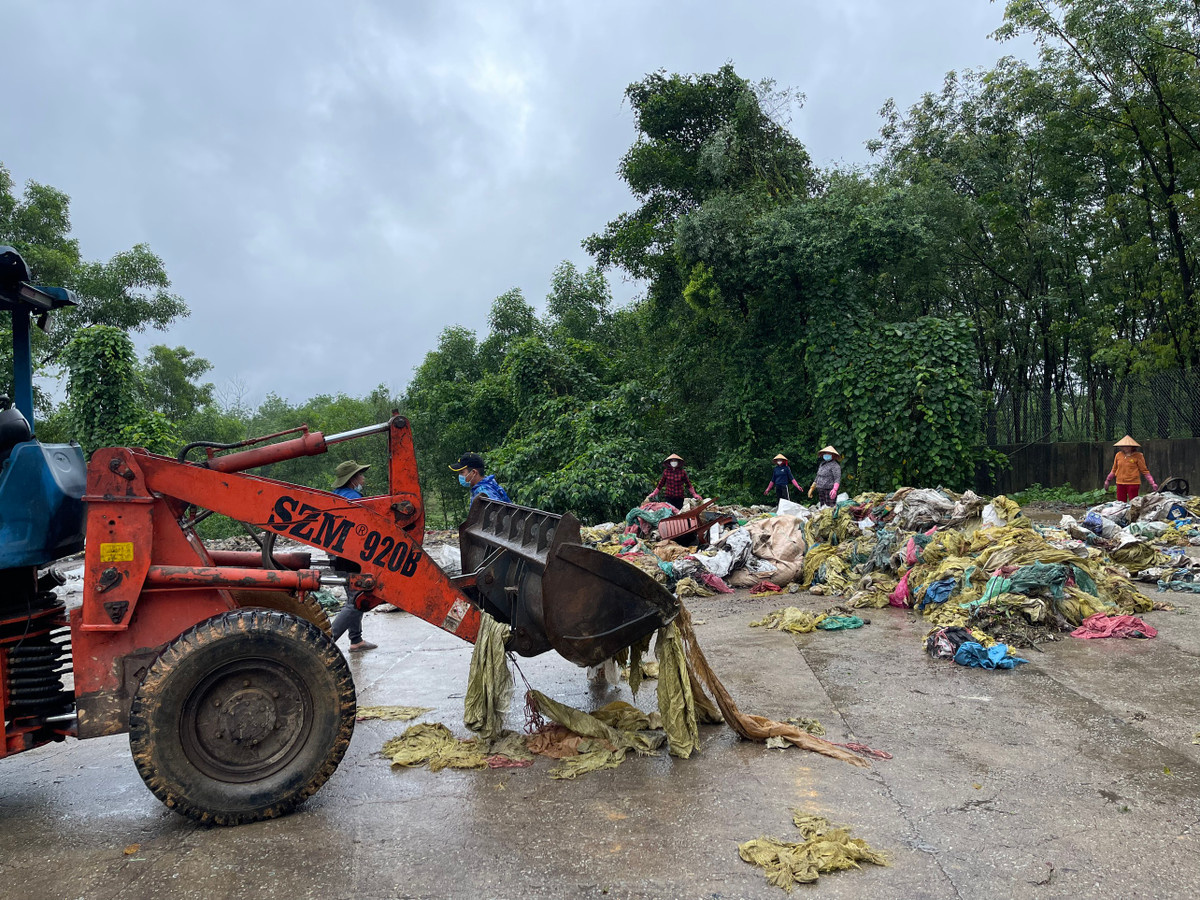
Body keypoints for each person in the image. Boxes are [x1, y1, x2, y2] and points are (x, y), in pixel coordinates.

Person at [329, 460, 377, 652]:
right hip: (350, 556)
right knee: (357, 600)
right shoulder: (353, 498)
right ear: (352, 479)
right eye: (360, 475)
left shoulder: (335, 496)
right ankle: (327, 640)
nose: (363, 478)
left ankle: (356, 640)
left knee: (354, 596)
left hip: (337, 555)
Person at [1104, 435, 1157, 502]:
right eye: (1124, 446)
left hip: (1133, 483)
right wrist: (1107, 480)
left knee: (1134, 503)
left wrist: (1152, 483)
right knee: (1120, 503)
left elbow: (1144, 471)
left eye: (1128, 446)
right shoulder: (1118, 455)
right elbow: (1114, 469)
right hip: (1120, 483)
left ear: (1132, 446)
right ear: (1121, 447)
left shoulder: (1138, 456)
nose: (1126, 447)